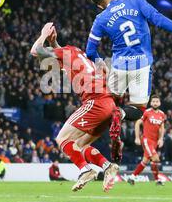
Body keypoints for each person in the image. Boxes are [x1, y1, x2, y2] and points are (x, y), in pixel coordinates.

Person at [86, 0, 172, 116]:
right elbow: (158, 19)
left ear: (100, 6)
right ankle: (121, 114)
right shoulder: (135, 0)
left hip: (119, 66)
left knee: (109, 103)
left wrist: (102, 65)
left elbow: (90, 51)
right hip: (141, 65)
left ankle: (95, 126)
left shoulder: (100, 19)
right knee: (138, 110)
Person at [31, 22, 119, 192]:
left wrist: (43, 35)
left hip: (95, 102)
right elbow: (61, 55)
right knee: (79, 146)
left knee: (62, 139)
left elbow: (35, 51)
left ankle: (85, 169)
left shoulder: (66, 54)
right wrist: (54, 42)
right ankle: (107, 166)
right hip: (109, 104)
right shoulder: (77, 53)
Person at [128, 95, 166, 186]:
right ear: (151, 103)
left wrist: (161, 139)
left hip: (155, 141)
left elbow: (162, 127)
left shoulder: (162, 114)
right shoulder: (147, 112)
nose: (155, 103)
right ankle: (157, 180)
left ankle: (132, 177)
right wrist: (137, 137)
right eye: (153, 101)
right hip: (147, 140)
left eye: (157, 101)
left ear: (159, 103)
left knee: (145, 161)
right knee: (155, 158)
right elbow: (138, 123)